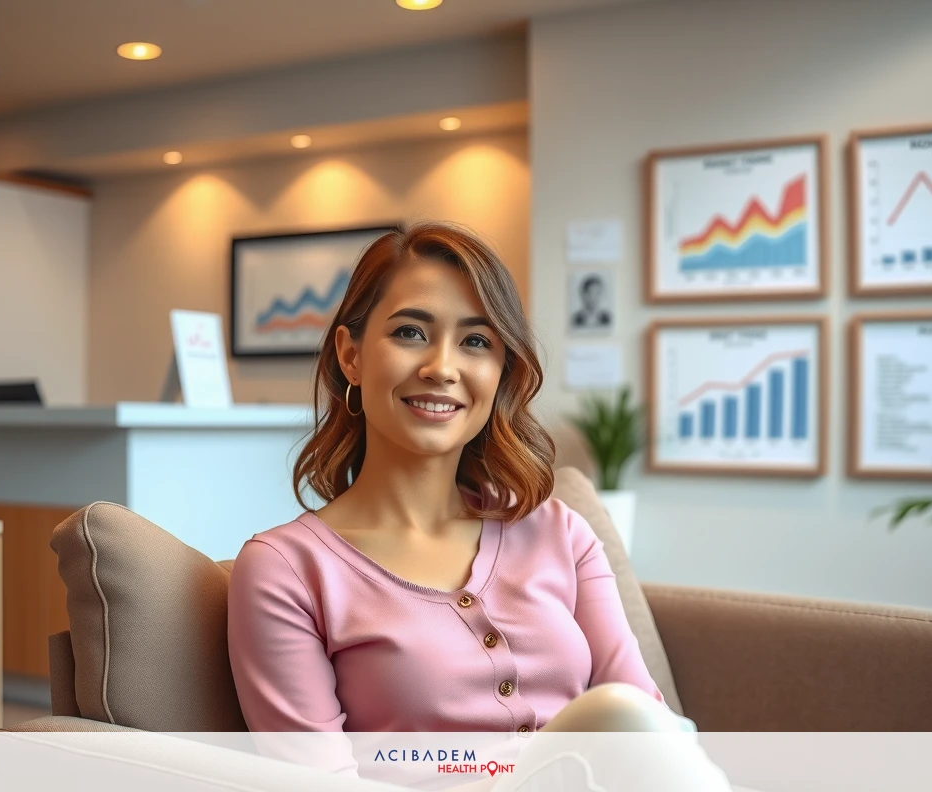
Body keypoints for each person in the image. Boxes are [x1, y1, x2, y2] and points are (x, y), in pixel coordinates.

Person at [227, 222, 730, 791]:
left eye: (475, 341)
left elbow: (646, 721)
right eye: (411, 332)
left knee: (633, 720)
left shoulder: (559, 533)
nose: (442, 367)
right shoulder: (286, 569)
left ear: (500, 374)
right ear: (351, 356)